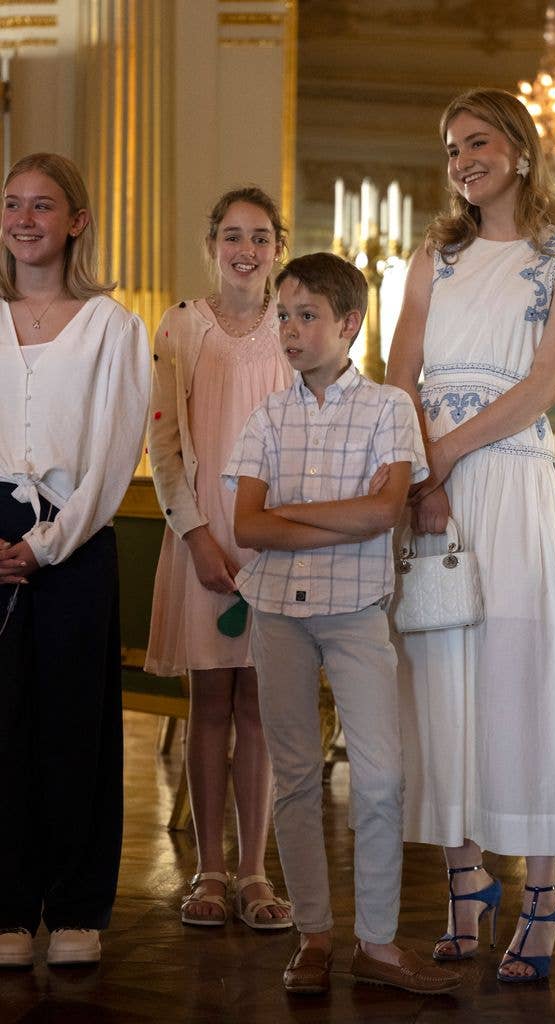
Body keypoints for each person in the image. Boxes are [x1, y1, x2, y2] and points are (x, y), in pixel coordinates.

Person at [385, 88, 555, 983]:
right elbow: (399, 372)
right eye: (449, 148)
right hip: (434, 493)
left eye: (476, 141)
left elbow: (546, 381)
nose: (461, 159)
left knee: (523, 682)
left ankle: (543, 895)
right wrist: (422, 476)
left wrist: (439, 459)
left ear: (518, 148)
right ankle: (465, 880)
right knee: (444, 681)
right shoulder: (431, 258)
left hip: (512, 486)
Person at [224, 252, 460, 996]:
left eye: (306, 316)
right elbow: (247, 529)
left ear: (348, 324)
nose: (289, 331)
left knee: (382, 777)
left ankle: (379, 943)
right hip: (276, 614)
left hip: (357, 615)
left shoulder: (390, 408)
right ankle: (315, 936)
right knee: (294, 779)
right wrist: (338, 520)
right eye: (282, 316)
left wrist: (290, 515)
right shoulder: (268, 412)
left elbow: (384, 510)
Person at [0, 153, 150, 967]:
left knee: (73, 728)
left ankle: (77, 909)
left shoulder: (112, 326)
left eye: (44, 206)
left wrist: (46, 544)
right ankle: (8, 910)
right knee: (2, 727)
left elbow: (114, 452)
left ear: (77, 222)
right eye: (12, 205)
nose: (25, 220)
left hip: (75, 531)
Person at [145, 187, 293, 930]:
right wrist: (196, 534)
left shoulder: (296, 327)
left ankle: (257, 874)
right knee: (210, 704)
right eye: (232, 234)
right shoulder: (181, 327)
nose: (247, 248)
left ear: (278, 248)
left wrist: (287, 537)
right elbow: (164, 445)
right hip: (203, 537)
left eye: (261, 236)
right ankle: (208, 870)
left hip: (273, 541)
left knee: (261, 709)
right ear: (211, 245)